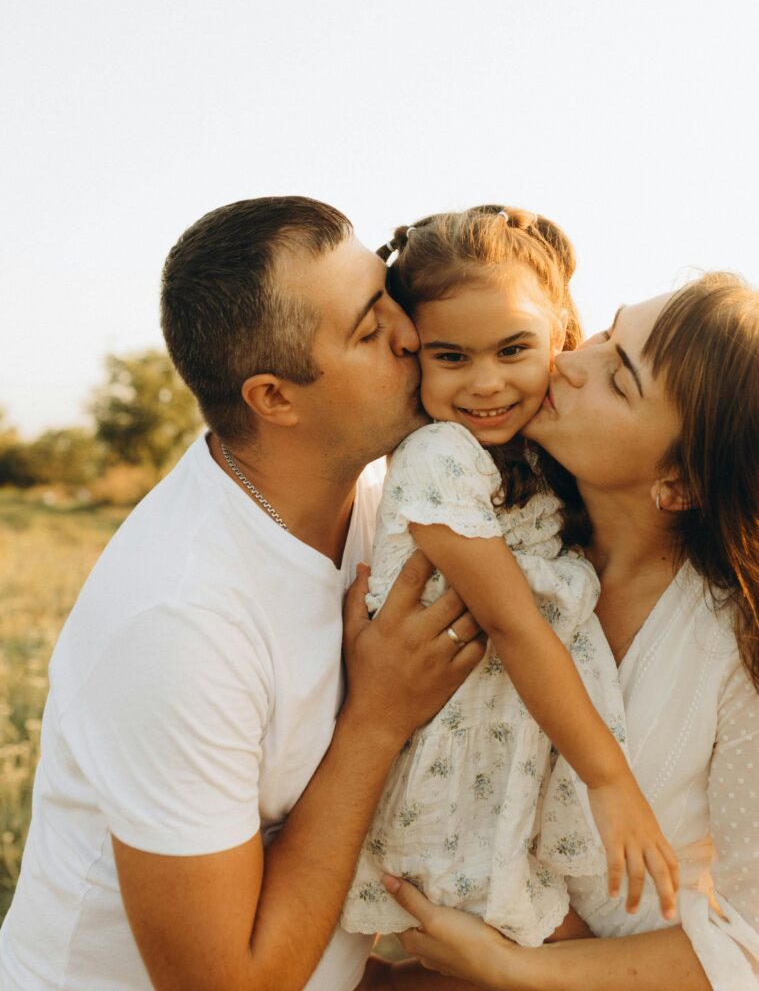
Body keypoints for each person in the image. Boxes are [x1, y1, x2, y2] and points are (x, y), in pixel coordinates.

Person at [0, 196, 487, 991]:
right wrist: (375, 720)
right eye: (368, 330)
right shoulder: (180, 621)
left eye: (387, 293)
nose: (410, 333)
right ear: (274, 398)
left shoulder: (384, 499)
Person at [366, 272, 759, 991]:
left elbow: (751, 945)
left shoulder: (735, 650)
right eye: (606, 332)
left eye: (617, 378)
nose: (568, 361)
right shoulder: (497, 525)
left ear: (678, 484)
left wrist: (517, 969)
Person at [340, 206, 677, 947]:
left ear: (559, 332)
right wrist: (607, 780)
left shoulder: (536, 453)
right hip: (452, 757)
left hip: (514, 750)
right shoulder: (438, 459)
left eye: (513, 349)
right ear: (411, 352)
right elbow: (512, 623)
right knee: (520, 940)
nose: (485, 383)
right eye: (450, 357)